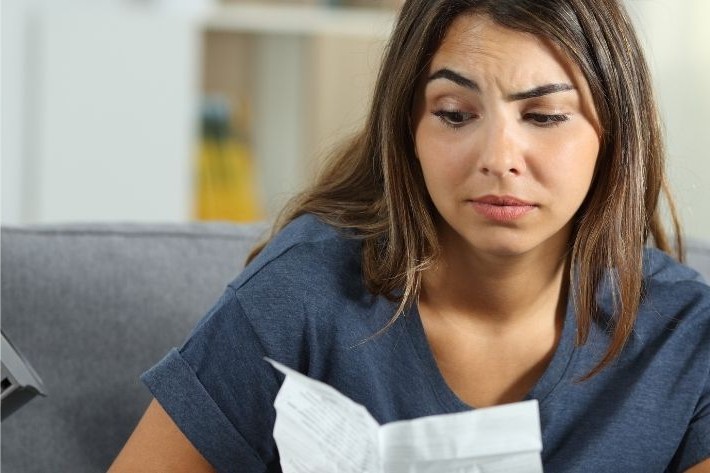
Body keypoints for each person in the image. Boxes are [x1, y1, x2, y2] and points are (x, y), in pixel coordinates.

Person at [108, 0, 710, 471]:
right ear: (409, 130)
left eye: (544, 116)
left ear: (614, 136)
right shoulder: (299, 296)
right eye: (454, 114)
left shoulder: (687, 339)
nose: (499, 157)